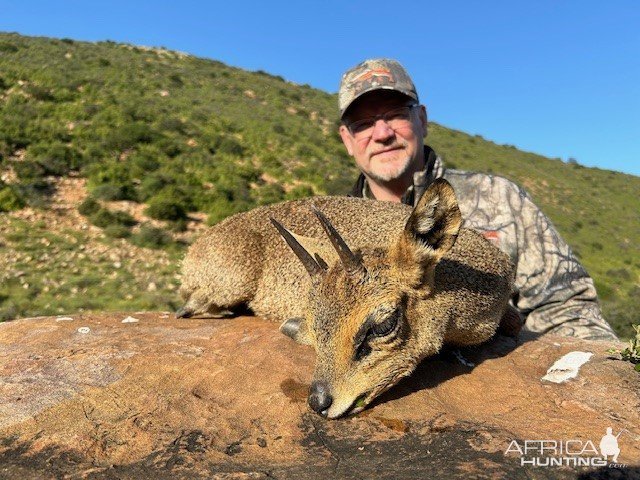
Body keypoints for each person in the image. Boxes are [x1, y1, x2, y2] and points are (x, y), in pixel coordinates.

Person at [337, 58, 617, 341]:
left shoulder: (499, 198)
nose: (382, 134)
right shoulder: (336, 230)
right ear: (347, 139)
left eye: (396, 114)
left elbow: (566, 306)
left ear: (421, 120)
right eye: (363, 124)